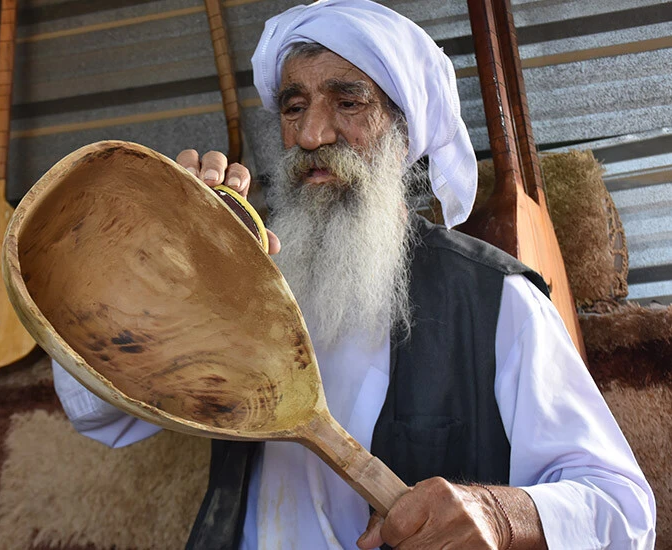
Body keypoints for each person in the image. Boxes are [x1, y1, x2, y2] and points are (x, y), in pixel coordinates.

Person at [51, 0, 656, 548]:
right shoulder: (238, 276)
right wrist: (153, 269)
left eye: (348, 102)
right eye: (295, 107)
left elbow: (625, 511)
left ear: (402, 131)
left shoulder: (495, 300)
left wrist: (499, 516)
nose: (313, 134)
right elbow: (96, 411)